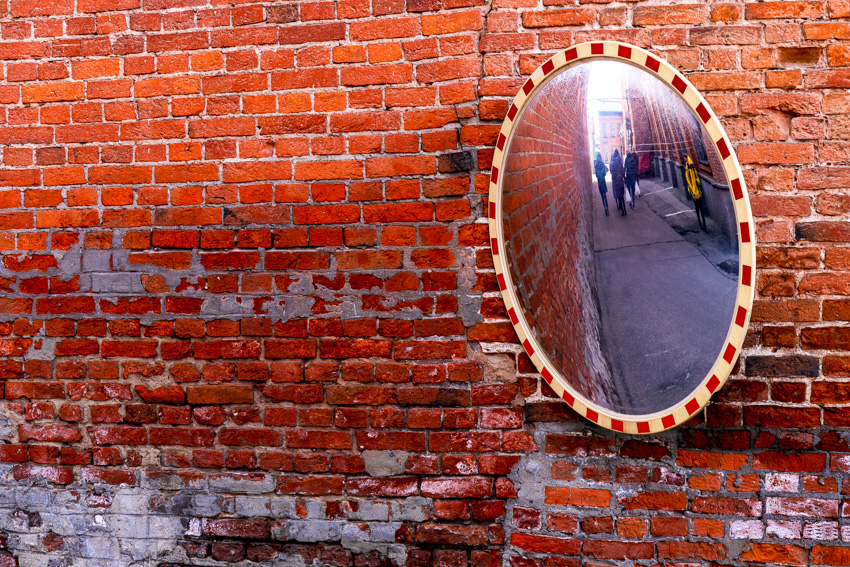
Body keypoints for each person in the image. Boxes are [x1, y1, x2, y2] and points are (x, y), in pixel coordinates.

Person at [685, 155, 707, 230]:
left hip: (698, 192)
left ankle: (704, 225)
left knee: (701, 208)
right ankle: (699, 221)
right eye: (690, 165)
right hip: (693, 193)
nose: (691, 166)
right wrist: (692, 190)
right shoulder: (687, 170)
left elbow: (697, 177)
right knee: (697, 208)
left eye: (692, 165)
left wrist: (698, 181)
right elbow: (688, 181)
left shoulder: (693, 169)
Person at [610, 149, 626, 216]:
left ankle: (621, 208)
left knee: (619, 196)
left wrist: (615, 177)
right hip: (621, 181)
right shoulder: (620, 161)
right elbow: (622, 171)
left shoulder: (613, 162)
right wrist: (622, 177)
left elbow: (612, 172)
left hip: (616, 181)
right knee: (622, 196)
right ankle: (624, 210)